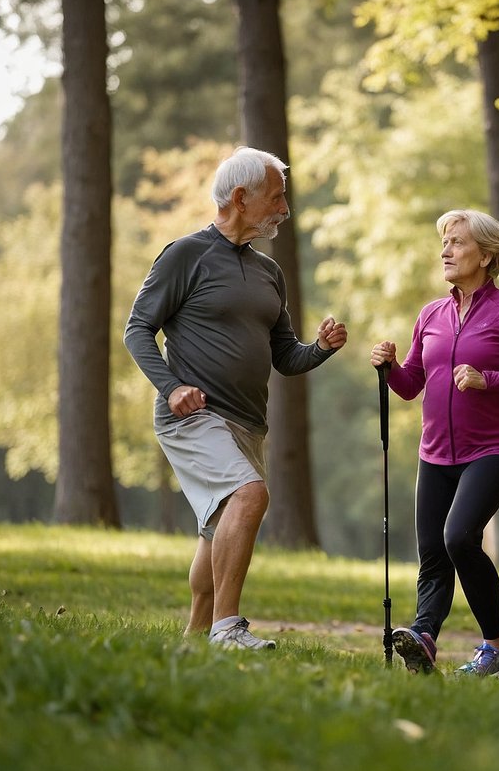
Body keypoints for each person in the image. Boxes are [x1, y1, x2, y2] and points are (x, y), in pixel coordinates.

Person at [125, 146, 348, 650]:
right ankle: (229, 628)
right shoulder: (186, 254)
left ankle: (196, 637)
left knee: (218, 529)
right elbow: (138, 329)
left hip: (249, 423)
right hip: (195, 415)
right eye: (276, 197)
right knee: (249, 496)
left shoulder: (270, 272)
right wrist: (172, 386)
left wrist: (321, 349)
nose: (284, 209)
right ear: (241, 197)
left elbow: (285, 357)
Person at [370, 209, 499, 677]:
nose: (445, 250)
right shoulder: (431, 312)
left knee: (459, 537)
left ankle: (498, 649)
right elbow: (413, 384)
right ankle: (424, 637)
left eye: (457, 242)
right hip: (435, 451)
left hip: (494, 448)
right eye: (444, 242)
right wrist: (389, 368)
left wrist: (486, 378)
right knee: (433, 550)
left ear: (487, 255)